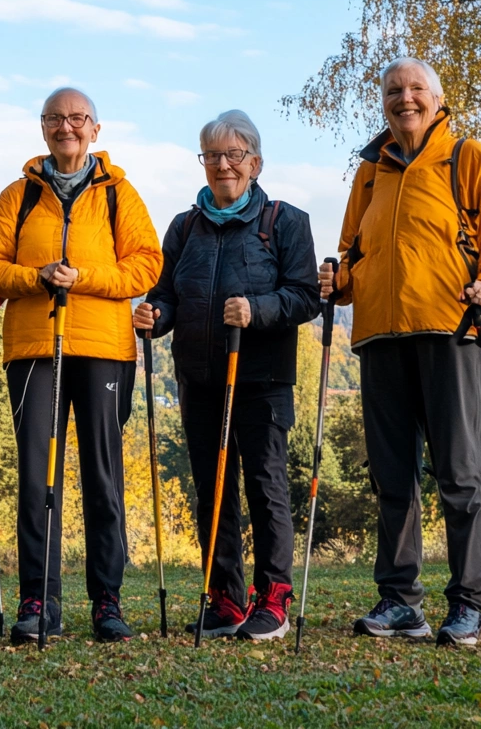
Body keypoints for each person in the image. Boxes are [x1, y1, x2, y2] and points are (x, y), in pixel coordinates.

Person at [320, 57, 481, 647]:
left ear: (436, 99)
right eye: (392, 91)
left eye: (414, 90)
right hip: (379, 336)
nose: (403, 99)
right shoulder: (369, 171)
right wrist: (340, 280)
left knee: (458, 475)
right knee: (391, 477)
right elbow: (351, 249)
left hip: (451, 329)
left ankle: (470, 607)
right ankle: (401, 602)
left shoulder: (467, 157)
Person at [0, 87, 163, 644]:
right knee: (38, 480)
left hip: (104, 346)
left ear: (95, 130)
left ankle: (107, 600)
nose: (67, 127)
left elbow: (146, 265)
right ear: (42, 127)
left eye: (78, 118)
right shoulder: (18, 195)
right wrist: (35, 278)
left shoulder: (118, 194)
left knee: (103, 478)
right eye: (56, 118)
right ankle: (39, 600)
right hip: (34, 349)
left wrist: (83, 278)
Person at [134, 109, 319, 641]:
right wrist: (155, 317)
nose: (222, 165)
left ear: (255, 163)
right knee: (211, 491)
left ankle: (273, 598)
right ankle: (225, 599)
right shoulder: (184, 225)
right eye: (212, 155)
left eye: (233, 155)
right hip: (200, 377)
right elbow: (168, 296)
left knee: (265, 488)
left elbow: (306, 295)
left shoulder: (285, 221)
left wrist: (256, 310)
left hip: (262, 378)